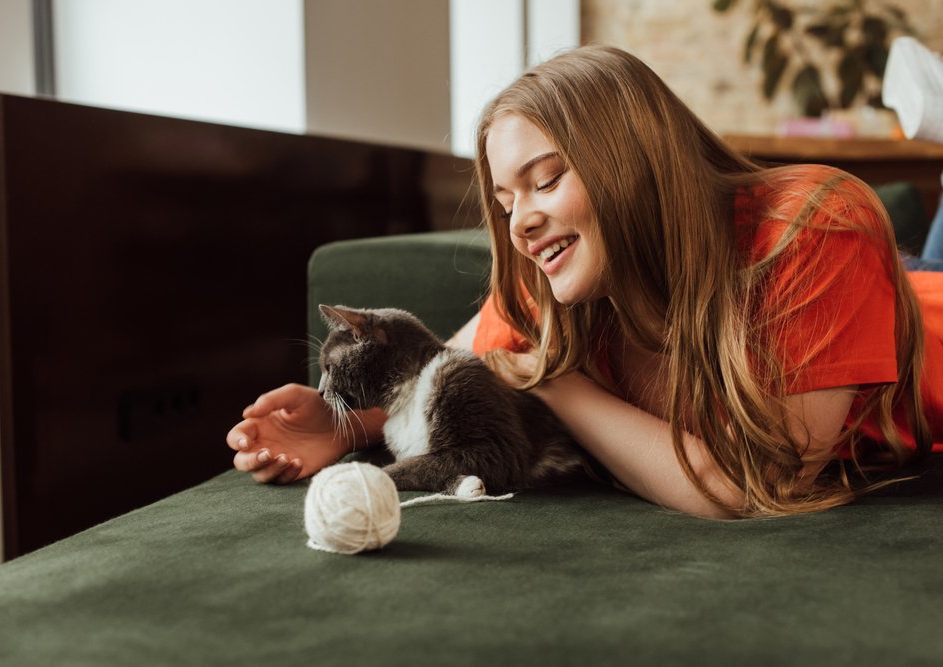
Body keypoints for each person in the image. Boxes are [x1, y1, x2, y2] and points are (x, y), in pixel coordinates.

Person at [227, 46, 943, 519]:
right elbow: (435, 367)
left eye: (545, 181)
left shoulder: (812, 223)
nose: (520, 226)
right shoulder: (554, 284)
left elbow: (754, 484)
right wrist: (347, 427)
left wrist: (556, 383)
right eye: (507, 204)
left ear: (636, 160)